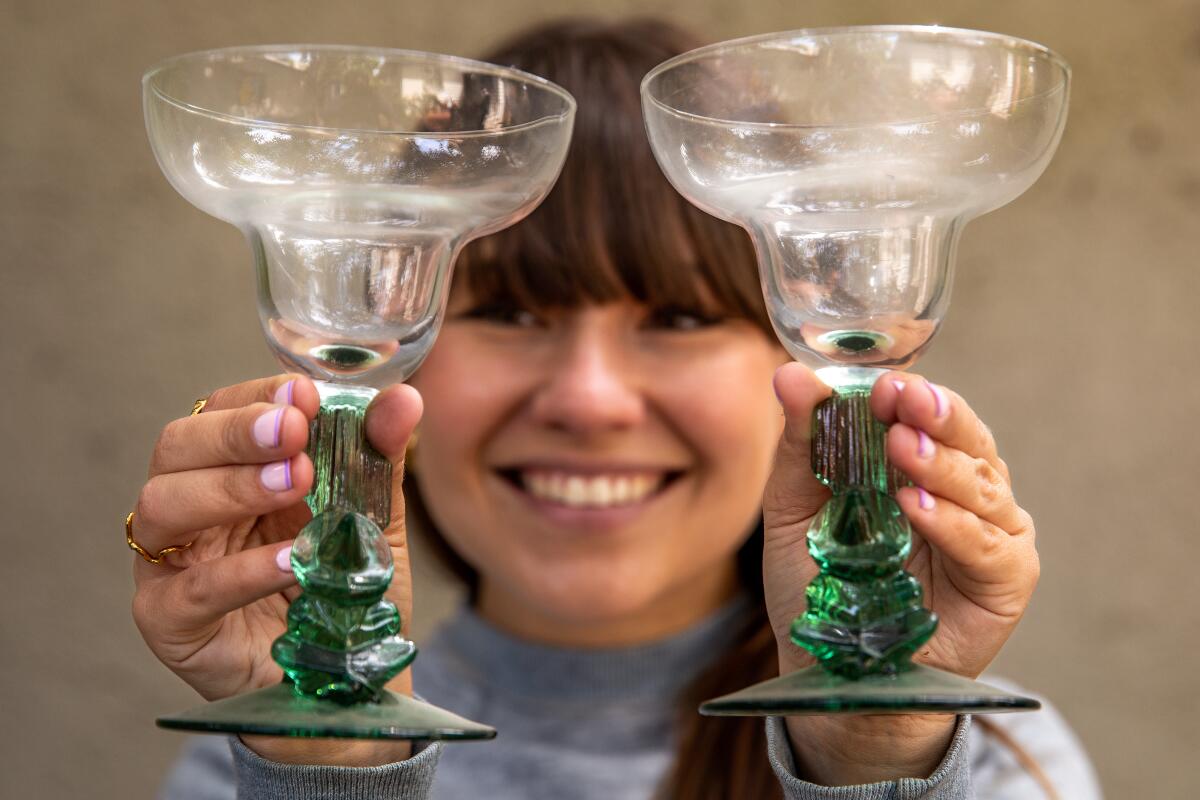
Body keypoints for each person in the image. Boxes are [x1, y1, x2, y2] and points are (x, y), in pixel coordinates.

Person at [132, 18, 1100, 800]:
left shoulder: (982, 770)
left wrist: (877, 755)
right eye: (511, 311)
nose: (589, 399)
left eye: (677, 316)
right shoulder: (247, 756)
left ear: (784, 359)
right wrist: (328, 774)